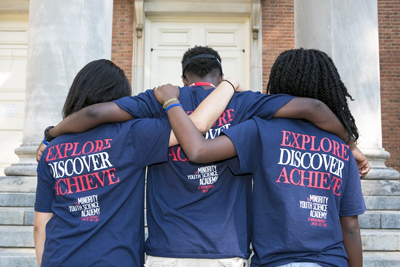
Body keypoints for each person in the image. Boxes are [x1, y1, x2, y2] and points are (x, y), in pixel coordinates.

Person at [37, 46, 367, 266]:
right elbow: (311, 108)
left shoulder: (157, 103)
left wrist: (51, 135)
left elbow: (94, 115)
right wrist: (347, 141)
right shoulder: (246, 104)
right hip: (226, 250)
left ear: (184, 77)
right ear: (220, 76)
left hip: (166, 250)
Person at [153, 48, 366, 267]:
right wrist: (350, 143)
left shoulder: (260, 130)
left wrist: (171, 102)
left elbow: (199, 150)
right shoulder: (342, 148)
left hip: (273, 261)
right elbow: (350, 226)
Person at [33, 59, 239, 267]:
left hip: (57, 258)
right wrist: (230, 84)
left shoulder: (50, 150)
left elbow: (40, 225)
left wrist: (51, 134)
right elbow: (195, 125)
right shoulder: (133, 135)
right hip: (116, 260)